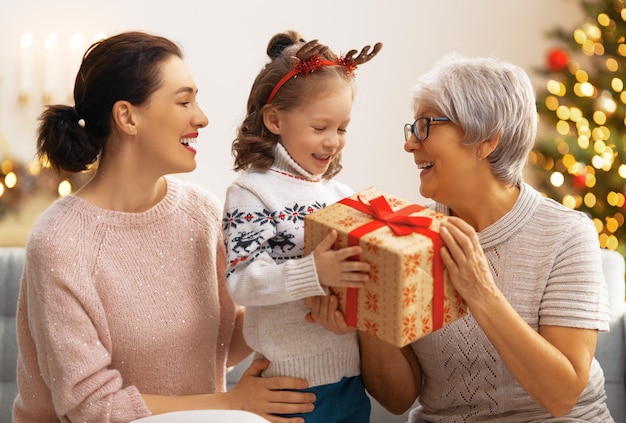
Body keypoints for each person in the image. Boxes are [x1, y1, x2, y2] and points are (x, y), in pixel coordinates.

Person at [13, 31, 317, 423]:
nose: (201, 117)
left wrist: (303, 290)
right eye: (184, 101)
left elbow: (222, 337)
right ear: (127, 116)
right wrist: (232, 402)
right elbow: (91, 407)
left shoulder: (202, 213)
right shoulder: (60, 242)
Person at [308, 53, 614, 422]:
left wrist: (480, 291)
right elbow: (398, 398)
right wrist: (369, 309)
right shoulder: (406, 239)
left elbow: (562, 395)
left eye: (426, 126)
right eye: (412, 127)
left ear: (485, 139)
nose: (410, 144)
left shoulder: (566, 233)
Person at [221, 31, 381, 422]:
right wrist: (314, 272)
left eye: (341, 129)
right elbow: (242, 281)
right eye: (320, 127)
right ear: (275, 119)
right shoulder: (251, 191)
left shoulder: (343, 194)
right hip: (289, 390)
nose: (333, 142)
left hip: (353, 381)